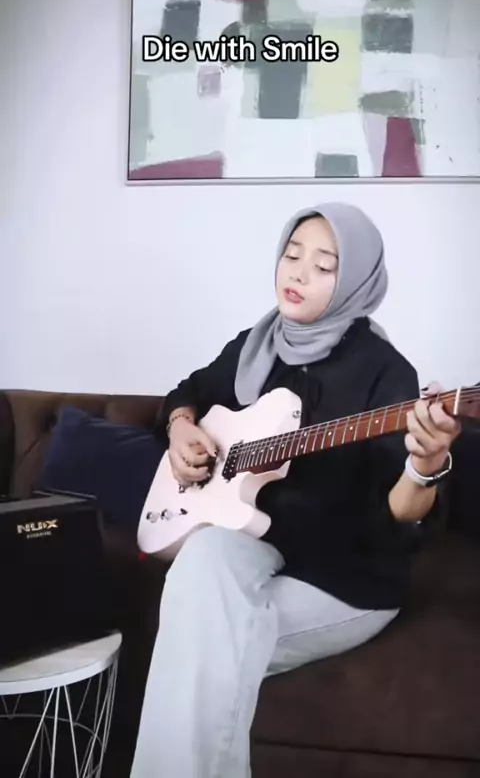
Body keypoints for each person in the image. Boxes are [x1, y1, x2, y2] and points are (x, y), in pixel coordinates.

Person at [130, 203, 461, 778]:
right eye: (292, 255)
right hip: (258, 543)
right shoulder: (255, 345)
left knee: (203, 638)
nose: (299, 273)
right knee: (203, 560)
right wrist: (181, 426)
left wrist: (424, 465)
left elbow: (398, 520)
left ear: (356, 282)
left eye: (324, 265)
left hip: (345, 576)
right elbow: (188, 391)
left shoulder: (386, 374)